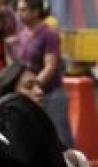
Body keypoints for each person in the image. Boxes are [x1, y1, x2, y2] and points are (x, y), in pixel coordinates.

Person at [0, 63, 93, 167]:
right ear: (8, 94)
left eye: (39, 85)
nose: (39, 92)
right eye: (29, 86)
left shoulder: (69, 158)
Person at [14, 0, 74, 148]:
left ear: (35, 12)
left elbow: (50, 67)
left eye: (23, 10)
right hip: (31, 96)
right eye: (19, 10)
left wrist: (32, 86)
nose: (19, 14)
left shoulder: (49, 34)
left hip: (51, 95)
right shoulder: (22, 34)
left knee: (61, 139)